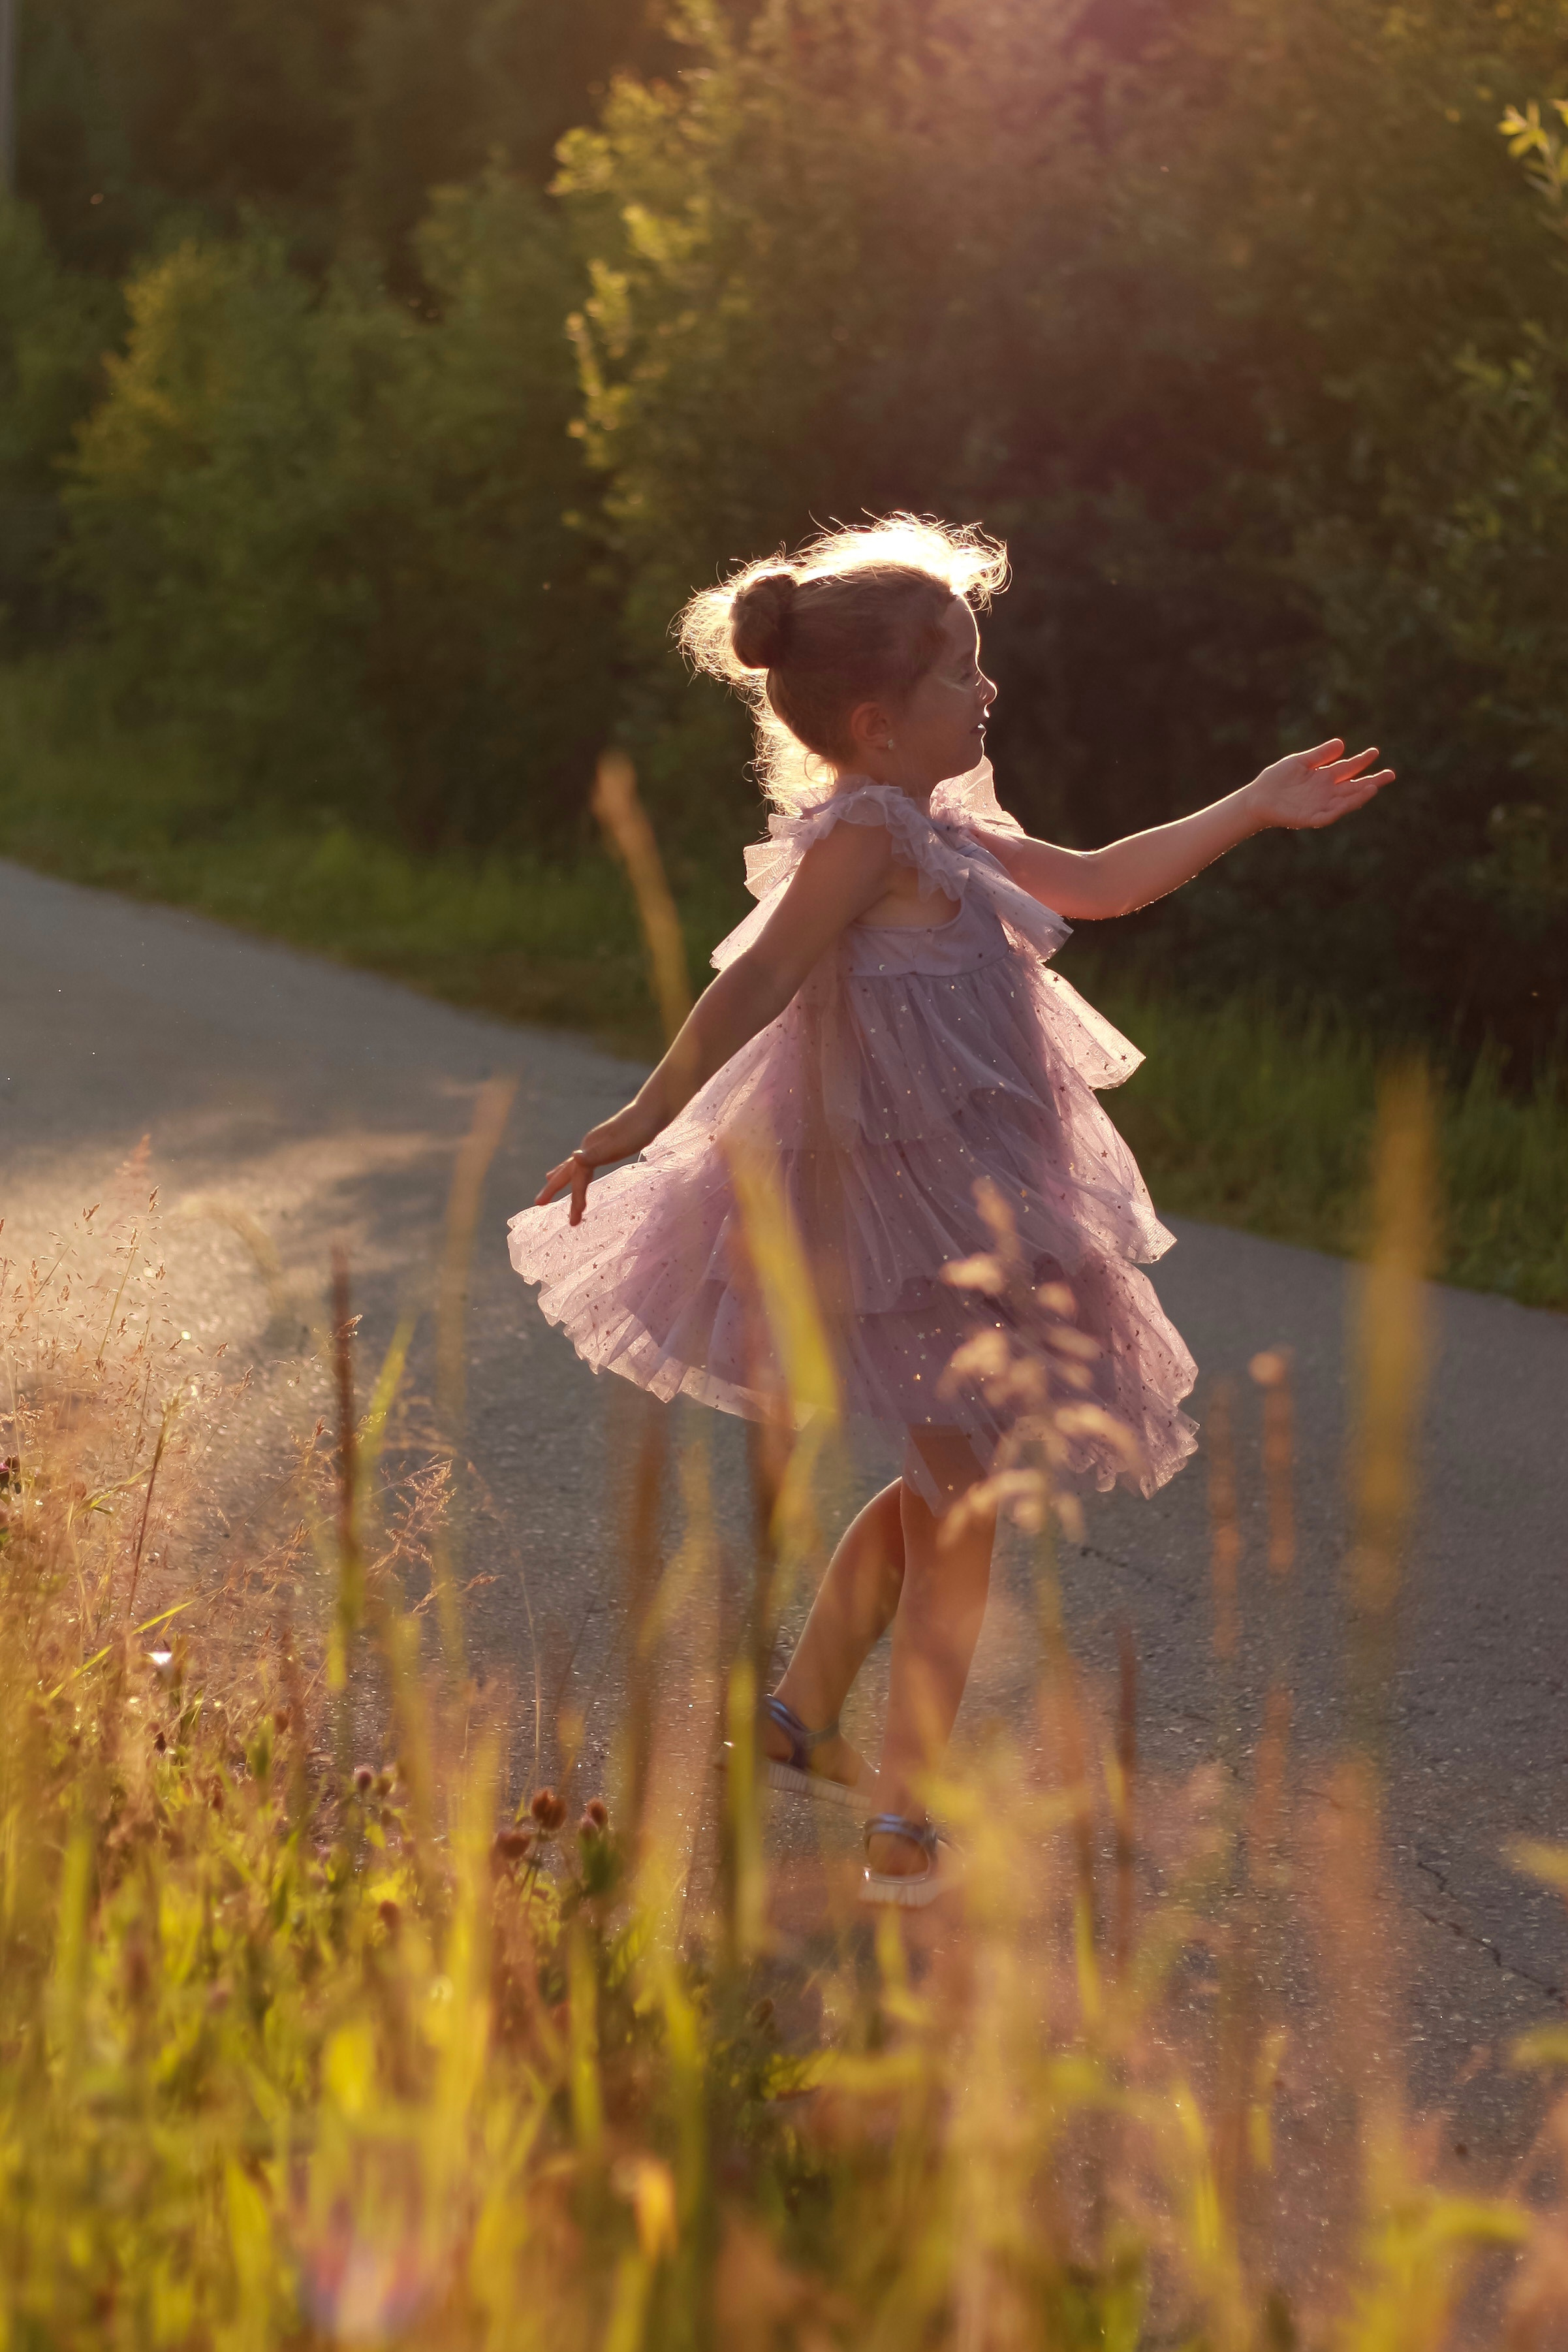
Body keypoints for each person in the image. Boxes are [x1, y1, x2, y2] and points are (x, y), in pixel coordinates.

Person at [508, 516, 1392, 1907]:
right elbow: (754, 986)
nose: (987, 692)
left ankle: (801, 1714)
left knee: (955, 1483)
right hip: (905, 1220)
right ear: (876, 715)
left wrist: (1251, 803)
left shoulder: (951, 824)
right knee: (966, 1501)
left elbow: (1099, 881)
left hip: (992, 1201)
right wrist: (637, 1122)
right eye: (960, 674)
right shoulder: (863, 835)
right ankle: (906, 1806)